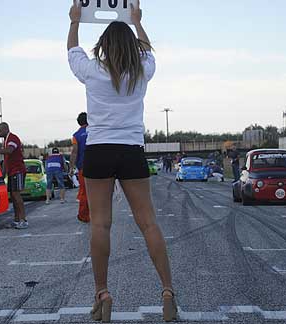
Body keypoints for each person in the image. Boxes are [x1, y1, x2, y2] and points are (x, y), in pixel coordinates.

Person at [67, 1, 177, 322]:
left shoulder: (92, 71)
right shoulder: (142, 69)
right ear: (132, 45)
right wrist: (138, 22)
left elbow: (72, 51)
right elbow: (148, 51)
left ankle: (102, 294)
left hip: (99, 150)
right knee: (148, 223)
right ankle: (168, 291)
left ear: (102, 46)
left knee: (100, 224)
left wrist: (75, 21)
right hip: (131, 150)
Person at [0, 122, 28, 229]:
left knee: (16, 195)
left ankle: (23, 220)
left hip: (18, 171)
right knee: (12, 196)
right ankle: (16, 220)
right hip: (12, 172)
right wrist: (3, 173)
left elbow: (9, 151)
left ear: (5, 129)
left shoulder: (12, 138)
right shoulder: (6, 141)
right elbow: (6, 159)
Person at [70, 112, 90, 223]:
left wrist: (71, 167)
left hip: (84, 167)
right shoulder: (95, 131)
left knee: (84, 192)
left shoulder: (76, 135)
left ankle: (83, 215)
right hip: (98, 165)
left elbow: (74, 152)